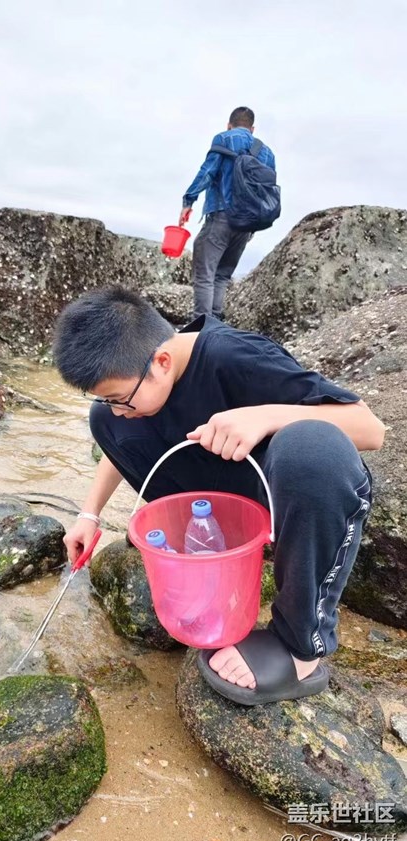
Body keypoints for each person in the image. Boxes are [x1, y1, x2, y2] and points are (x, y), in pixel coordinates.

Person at [52, 286, 385, 706]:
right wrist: (90, 514)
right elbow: (120, 442)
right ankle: (203, 550)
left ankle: (302, 648)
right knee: (104, 421)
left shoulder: (236, 357)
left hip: (281, 499)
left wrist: (264, 416)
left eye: (121, 398)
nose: (119, 409)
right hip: (216, 506)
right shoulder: (130, 397)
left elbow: (370, 430)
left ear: (162, 361)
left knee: (312, 446)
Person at [179, 106, 276, 321]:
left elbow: (208, 171)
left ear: (229, 125)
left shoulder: (224, 139)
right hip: (246, 224)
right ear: (252, 128)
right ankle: (214, 327)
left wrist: (189, 200)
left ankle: (200, 331)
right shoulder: (267, 153)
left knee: (204, 275)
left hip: (221, 216)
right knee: (222, 276)